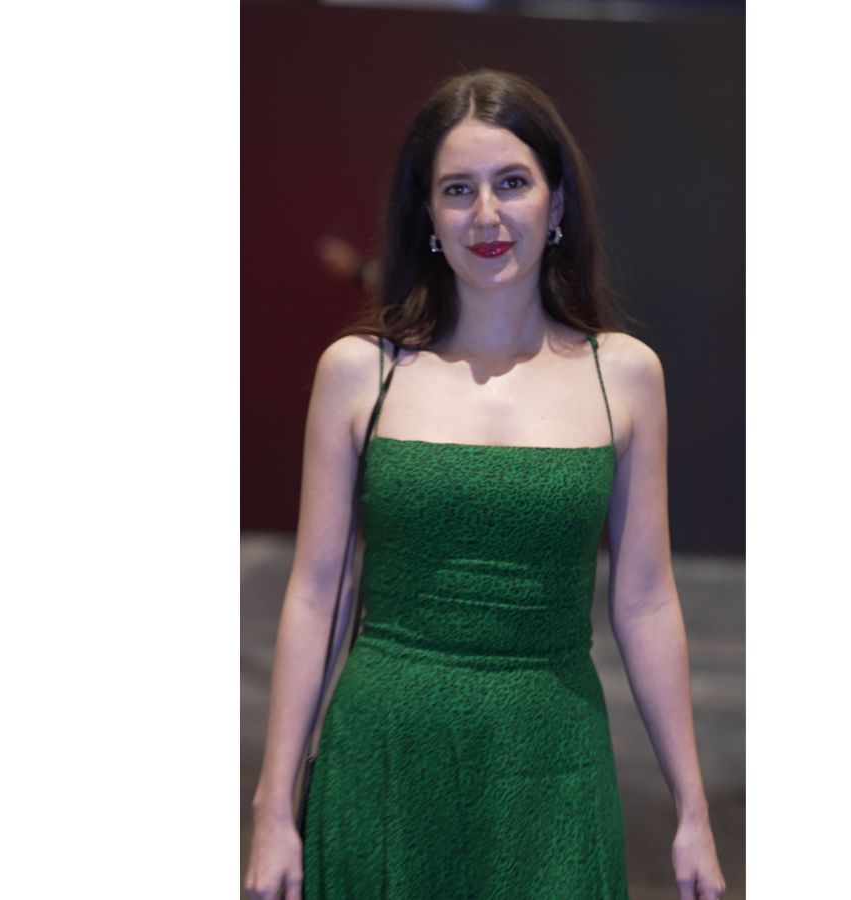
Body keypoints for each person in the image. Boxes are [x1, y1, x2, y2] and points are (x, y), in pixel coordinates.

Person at [245, 69, 726, 900]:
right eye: (458, 190)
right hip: (383, 760)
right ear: (428, 214)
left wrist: (693, 811)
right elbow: (318, 592)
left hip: (552, 764)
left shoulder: (625, 376)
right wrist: (271, 810)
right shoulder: (360, 373)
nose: (487, 215)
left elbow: (646, 600)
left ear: (557, 200)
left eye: (512, 183)